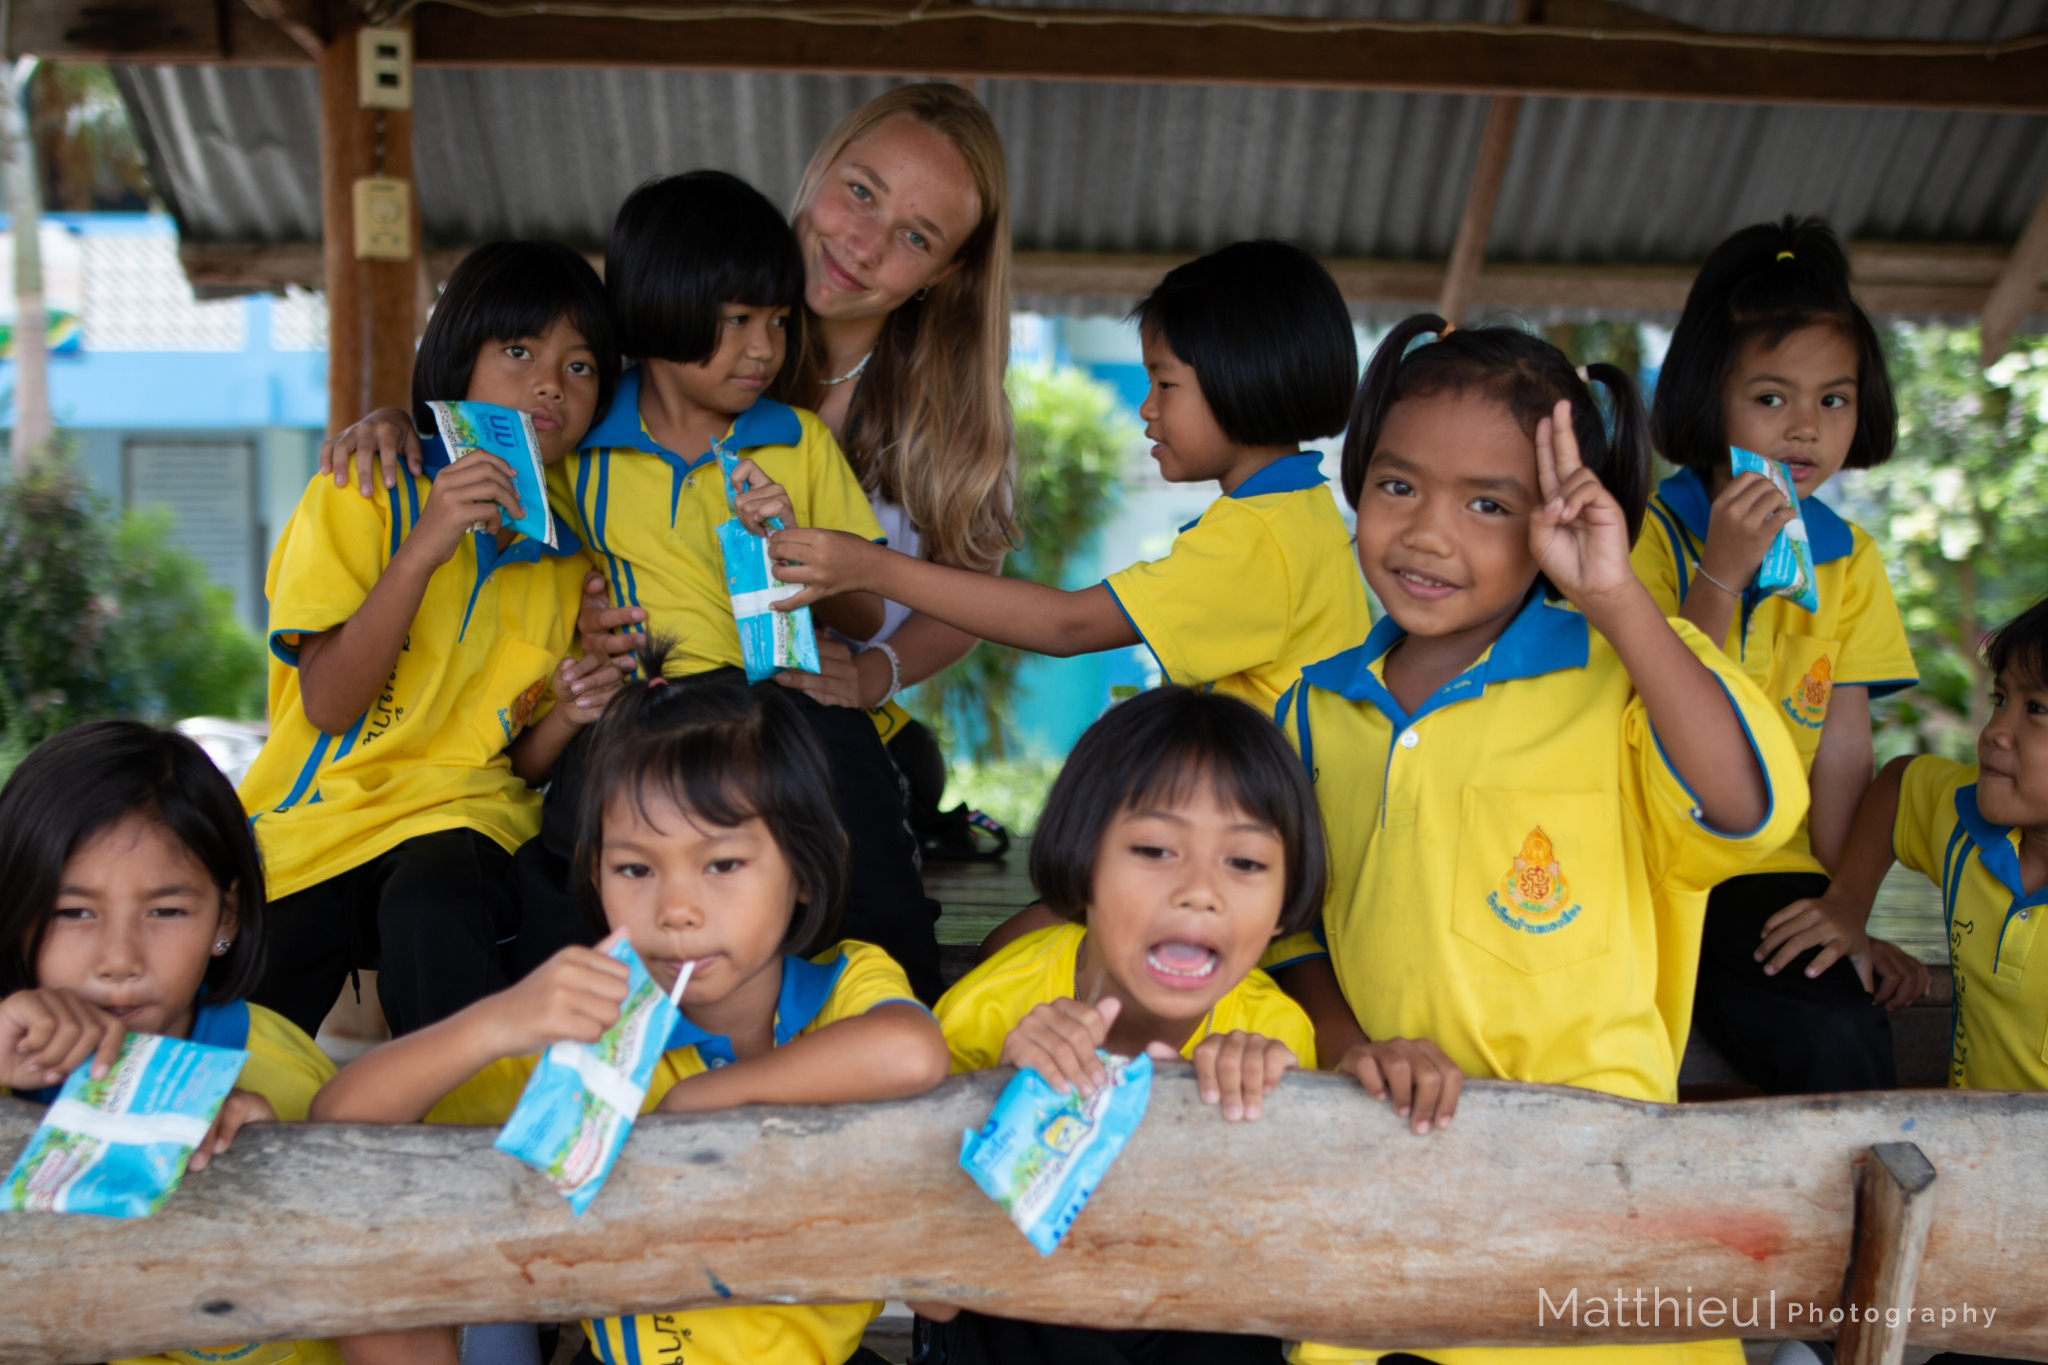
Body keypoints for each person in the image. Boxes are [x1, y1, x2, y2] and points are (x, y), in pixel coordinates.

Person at [321, 87, 1019, 994]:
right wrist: (407, 425)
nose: (866, 240)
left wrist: (867, 660)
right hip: (635, 703)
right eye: (860, 192)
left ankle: (894, 1033)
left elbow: (944, 601)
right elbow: (517, 416)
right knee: (573, 854)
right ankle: (553, 1060)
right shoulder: (628, 377)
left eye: (917, 235)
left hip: (803, 698)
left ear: (948, 270)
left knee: (858, 832)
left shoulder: (898, 423)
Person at [1268, 318, 1806, 1365]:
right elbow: (1288, 928)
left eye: (1487, 504)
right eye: (1396, 485)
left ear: (1556, 519)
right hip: (1381, 1198)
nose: (1428, 533)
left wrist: (1615, 599)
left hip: (1595, 1219)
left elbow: (1744, 805)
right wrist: (1347, 1047)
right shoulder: (1310, 709)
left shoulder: (1625, 677)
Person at [311, 647, 951, 1365]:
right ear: (595, 875)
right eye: (636, 868)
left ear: (806, 868)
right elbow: (341, 1122)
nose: (677, 908)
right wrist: (498, 1020)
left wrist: (705, 1098)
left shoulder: (844, 988)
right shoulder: (593, 1032)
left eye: (724, 864)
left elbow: (911, 1049)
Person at [238, 241, 623, 1040]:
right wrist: (425, 544)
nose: (551, 382)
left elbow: (515, 762)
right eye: (518, 350)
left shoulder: (573, 553)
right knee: (240, 1013)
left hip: (462, 824)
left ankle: (456, 1132)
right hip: (314, 822)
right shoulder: (363, 490)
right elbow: (331, 702)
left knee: (437, 904)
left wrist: (572, 708)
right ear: (457, 357)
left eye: (581, 367)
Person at [767, 239, 1370, 718]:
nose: (1146, 407)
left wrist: (870, 567)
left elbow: (1067, 623)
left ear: (1244, 379)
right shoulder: (1298, 514)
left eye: (1165, 383)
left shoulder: (1259, 538)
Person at [913, 687, 1322, 1365]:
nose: (1200, 889)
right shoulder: (989, 1012)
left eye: (1245, 861)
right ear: (1083, 866)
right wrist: (1010, 1105)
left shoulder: (1272, 1033)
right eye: (1156, 849)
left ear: (1285, 902)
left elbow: (1284, 1279)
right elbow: (931, 1298)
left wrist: (1252, 1124)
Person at [1633, 217, 1924, 1093]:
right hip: (1653, 853)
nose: (1806, 429)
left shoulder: (1851, 560)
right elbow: (1650, 721)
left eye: (1833, 401)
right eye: (1772, 398)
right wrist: (1719, 576)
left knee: (1837, 1033)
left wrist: (1846, 911)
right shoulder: (1647, 539)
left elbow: (1842, 751)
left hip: (1776, 871)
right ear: (1708, 396)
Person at [0, 720, 340, 1365]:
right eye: (73, 911)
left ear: (226, 918)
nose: (119, 959)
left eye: (165, 911)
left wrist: (242, 1183)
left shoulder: (279, 1083)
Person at [1768, 599, 2035, 1365]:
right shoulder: (1970, 829)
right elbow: (1900, 782)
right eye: (2000, 699)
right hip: (1989, 1207)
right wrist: (1848, 904)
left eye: (2038, 709)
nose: (1996, 731)